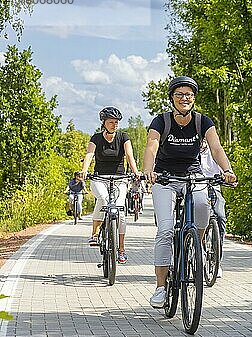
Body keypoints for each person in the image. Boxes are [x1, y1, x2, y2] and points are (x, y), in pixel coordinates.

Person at [143, 76, 237, 308]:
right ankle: (160, 287)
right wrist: (148, 170)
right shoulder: (161, 121)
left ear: (193, 98)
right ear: (172, 98)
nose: (184, 98)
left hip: (193, 175)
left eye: (189, 95)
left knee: (204, 205)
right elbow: (151, 146)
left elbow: (216, 147)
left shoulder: (202, 121)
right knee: (165, 231)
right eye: (179, 94)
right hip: (165, 177)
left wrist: (227, 170)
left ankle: (198, 245)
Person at [81, 106, 140, 264]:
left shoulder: (123, 137)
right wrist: (84, 171)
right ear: (104, 123)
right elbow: (89, 154)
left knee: (120, 212)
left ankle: (121, 249)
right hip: (99, 178)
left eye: (116, 122)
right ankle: (94, 233)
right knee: (103, 199)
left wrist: (135, 172)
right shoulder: (96, 138)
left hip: (120, 179)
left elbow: (129, 155)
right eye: (111, 122)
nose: (114, 125)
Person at [200, 139, 227, 278]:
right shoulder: (191, 150)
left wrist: (229, 175)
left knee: (220, 216)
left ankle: (217, 260)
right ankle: (197, 250)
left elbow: (225, 168)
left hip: (213, 187)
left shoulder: (214, 151)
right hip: (196, 188)